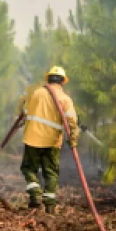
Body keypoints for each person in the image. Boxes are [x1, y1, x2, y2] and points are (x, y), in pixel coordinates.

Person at [20, 66, 80, 214]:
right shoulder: (65, 99)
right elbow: (72, 120)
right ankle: (50, 207)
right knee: (51, 173)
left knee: (28, 168)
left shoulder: (36, 93)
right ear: (62, 82)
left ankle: (35, 195)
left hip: (32, 138)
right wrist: (73, 138)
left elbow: (25, 112)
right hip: (52, 142)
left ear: (48, 78)